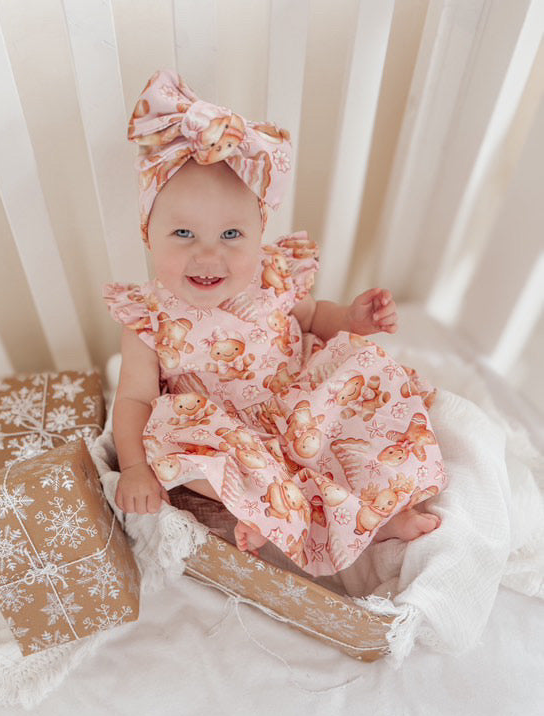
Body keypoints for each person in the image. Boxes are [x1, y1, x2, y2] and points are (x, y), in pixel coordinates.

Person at [104, 69, 447, 581]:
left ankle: (385, 514)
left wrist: (352, 318)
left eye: (231, 234)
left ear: (261, 233)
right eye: (181, 232)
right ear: (147, 235)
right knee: (192, 454)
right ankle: (265, 514)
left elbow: (311, 318)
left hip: (299, 401)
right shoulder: (148, 317)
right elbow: (133, 399)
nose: (207, 254)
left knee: (359, 406)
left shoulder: (270, 277)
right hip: (228, 430)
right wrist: (132, 467)